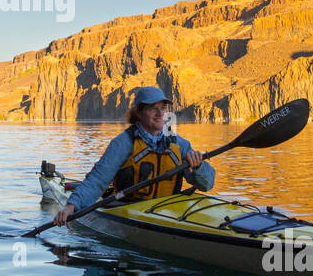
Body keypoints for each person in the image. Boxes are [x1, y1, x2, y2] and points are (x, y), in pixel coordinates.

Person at [54, 86, 215, 226]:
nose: (160, 114)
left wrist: (199, 166)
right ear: (139, 112)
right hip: (128, 208)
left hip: (168, 211)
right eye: (153, 108)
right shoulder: (123, 143)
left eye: (163, 108)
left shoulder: (179, 144)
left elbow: (207, 185)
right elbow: (97, 180)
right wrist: (71, 206)